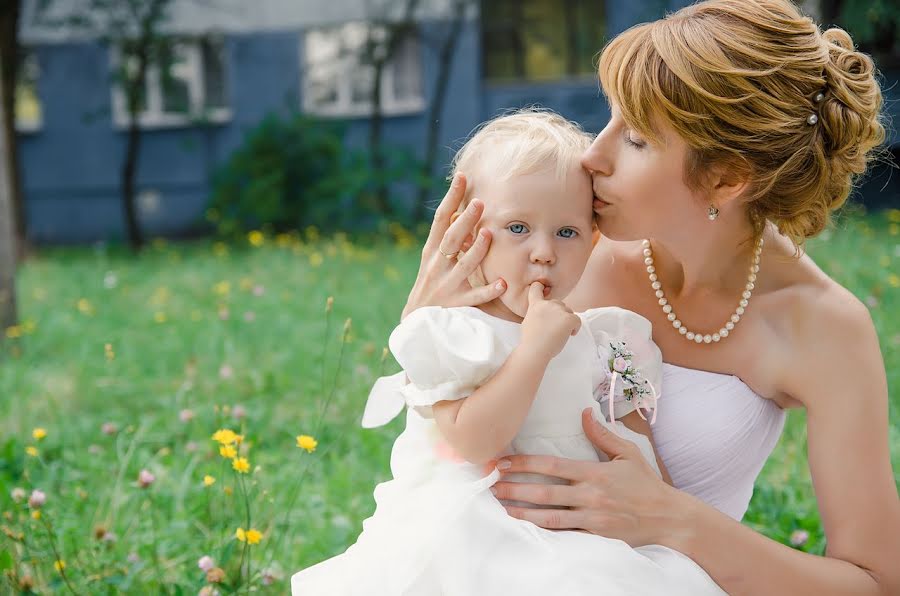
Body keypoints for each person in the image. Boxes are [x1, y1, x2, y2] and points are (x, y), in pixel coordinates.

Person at [394, 0, 900, 594]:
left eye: (633, 138)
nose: (592, 154)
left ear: (726, 178)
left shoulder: (822, 327)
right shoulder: (565, 253)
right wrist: (421, 322)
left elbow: (875, 580)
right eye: (608, 120)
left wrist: (673, 519)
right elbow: (446, 419)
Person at [291, 110, 725, 595]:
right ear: (471, 231)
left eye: (567, 232)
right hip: (480, 525)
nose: (543, 251)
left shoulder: (610, 339)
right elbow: (472, 442)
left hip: (585, 529)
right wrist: (534, 350)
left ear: (592, 240)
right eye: (518, 228)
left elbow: (637, 444)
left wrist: (660, 521)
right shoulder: (457, 333)